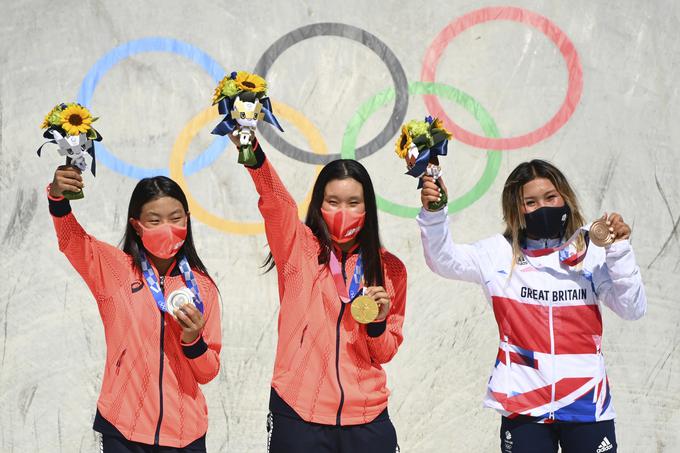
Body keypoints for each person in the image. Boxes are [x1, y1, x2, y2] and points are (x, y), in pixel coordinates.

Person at [417, 159, 646, 453]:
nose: (543, 207)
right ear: (517, 208)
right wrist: (434, 214)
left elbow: (632, 308)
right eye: (531, 202)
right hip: (524, 405)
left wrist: (619, 251)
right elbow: (443, 259)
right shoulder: (498, 255)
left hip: (586, 403)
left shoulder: (589, 251)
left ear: (565, 197)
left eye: (550, 197)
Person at [237, 137, 406, 453]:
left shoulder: (390, 269)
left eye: (353, 202)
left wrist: (378, 325)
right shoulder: (298, 248)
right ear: (318, 205)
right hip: (300, 413)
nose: (343, 211)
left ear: (368, 207)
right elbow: (276, 202)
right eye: (333, 202)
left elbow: (384, 352)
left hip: (367, 417)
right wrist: (249, 148)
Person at [47, 165, 221, 452]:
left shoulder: (203, 288)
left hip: (184, 435)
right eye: (154, 220)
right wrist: (58, 199)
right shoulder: (114, 271)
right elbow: (71, 240)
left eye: (175, 218)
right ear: (136, 226)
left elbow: (208, 372)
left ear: (188, 221)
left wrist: (193, 343)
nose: (167, 228)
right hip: (122, 430)